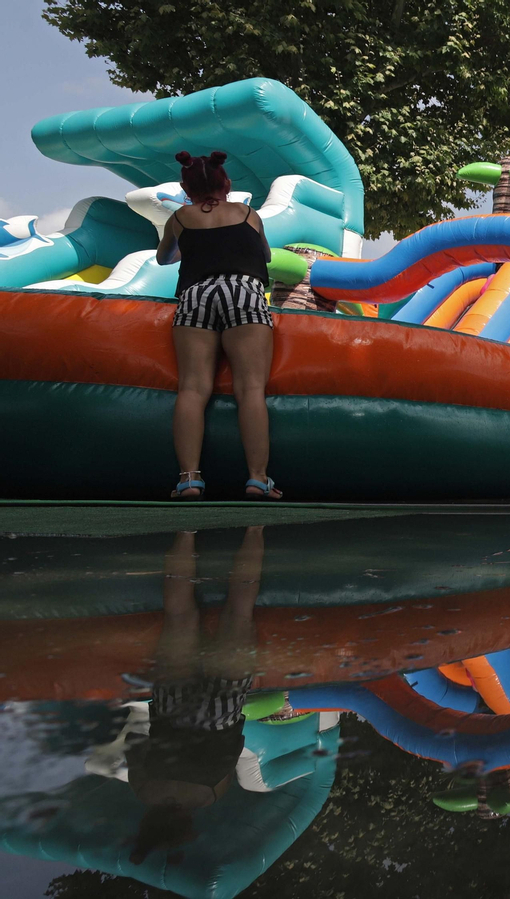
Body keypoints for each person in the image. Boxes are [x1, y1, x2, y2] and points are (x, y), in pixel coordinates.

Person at [127, 527, 264, 865]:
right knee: (179, 616)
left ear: (184, 823)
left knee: (239, 613)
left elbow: (232, 747)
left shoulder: (210, 796)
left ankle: (254, 527)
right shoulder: (144, 790)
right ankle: (187, 530)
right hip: (173, 710)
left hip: (220, 716)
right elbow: (135, 741)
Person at [155, 151, 281, 500]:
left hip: (196, 294)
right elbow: (266, 255)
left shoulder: (179, 218)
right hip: (243, 291)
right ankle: (258, 478)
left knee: (192, 390)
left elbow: (163, 258)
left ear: (186, 187)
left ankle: (189, 479)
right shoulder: (247, 214)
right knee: (250, 390)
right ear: (227, 184)